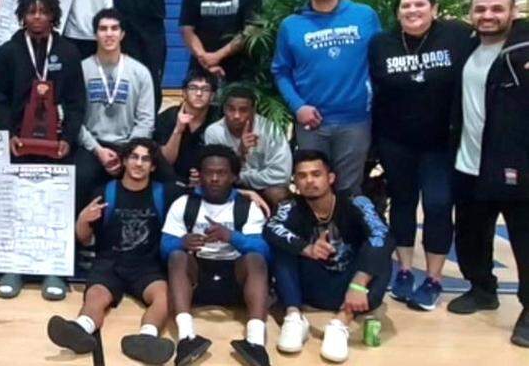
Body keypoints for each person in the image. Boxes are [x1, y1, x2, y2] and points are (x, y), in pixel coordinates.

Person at [368, 0, 473, 311]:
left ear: (434, 8)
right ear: (397, 12)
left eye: (419, 4)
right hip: (396, 141)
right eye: (405, 6)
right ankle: (403, 271)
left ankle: (433, 278)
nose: (412, 10)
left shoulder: (456, 35)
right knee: (402, 204)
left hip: (441, 144)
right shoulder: (381, 44)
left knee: (438, 205)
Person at [46, 139, 180, 364]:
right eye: (134, 157)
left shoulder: (165, 193)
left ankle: (147, 338)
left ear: (153, 166)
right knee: (95, 297)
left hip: (147, 266)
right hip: (110, 264)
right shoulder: (104, 192)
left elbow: (203, 194)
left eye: (145, 159)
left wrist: (246, 194)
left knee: (164, 297)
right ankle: (80, 329)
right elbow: (84, 238)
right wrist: (83, 220)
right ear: (125, 161)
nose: (139, 163)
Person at [0, 0, 86, 300]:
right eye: (31, 11)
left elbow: (76, 102)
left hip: (55, 144)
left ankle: (54, 268)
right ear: (22, 16)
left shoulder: (69, 52)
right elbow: (0, 100)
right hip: (19, 142)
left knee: (54, 203)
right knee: (18, 202)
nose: (37, 17)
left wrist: (68, 140)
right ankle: (13, 266)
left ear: (54, 16)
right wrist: (9, 135)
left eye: (44, 11)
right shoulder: (7, 52)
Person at [447, 0, 529, 347]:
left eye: (497, 9)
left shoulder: (523, 49)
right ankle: (482, 288)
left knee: (525, 241)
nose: (488, 16)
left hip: (516, 165)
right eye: (480, 10)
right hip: (468, 161)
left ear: (512, 13)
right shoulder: (467, 48)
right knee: (470, 233)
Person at [264, 150, 393, 363]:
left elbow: (382, 235)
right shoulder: (290, 206)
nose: (309, 181)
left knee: (380, 250)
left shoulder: (356, 202)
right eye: (302, 176)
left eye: (316, 174)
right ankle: (294, 318)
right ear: (294, 181)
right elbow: (271, 228)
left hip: (353, 289)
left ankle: (340, 324)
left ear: (330, 178)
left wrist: (359, 284)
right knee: (282, 250)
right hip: (310, 288)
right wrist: (307, 248)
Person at [271, 0, 381, 196]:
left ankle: (346, 234)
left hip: (356, 121)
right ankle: (316, 234)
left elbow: (382, 60)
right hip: (312, 123)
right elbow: (281, 71)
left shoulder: (365, 16)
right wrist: (298, 107)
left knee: (349, 189)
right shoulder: (291, 25)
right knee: (312, 188)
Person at [162, 145, 272, 366]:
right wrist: (182, 242)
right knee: (176, 256)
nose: (213, 178)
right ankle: (186, 338)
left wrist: (231, 237)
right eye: (208, 172)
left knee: (255, 260)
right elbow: (164, 247)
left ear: (233, 176)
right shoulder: (184, 204)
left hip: (235, 276)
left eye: (221, 173)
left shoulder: (247, 207)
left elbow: (265, 251)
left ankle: (256, 343)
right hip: (197, 277)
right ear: (199, 175)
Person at [77, 8, 155, 212]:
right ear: (95, 34)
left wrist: (128, 154)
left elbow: (146, 120)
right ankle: (81, 238)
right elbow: (74, 117)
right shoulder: (81, 70)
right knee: (79, 178)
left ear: (122, 34)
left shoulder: (140, 72)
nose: (109, 34)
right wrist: (97, 149)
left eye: (114, 28)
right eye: (103, 29)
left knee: (165, 176)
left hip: (130, 144)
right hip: (93, 145)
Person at [203, 85, 292, 206]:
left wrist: (242, 177)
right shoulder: (214, 132)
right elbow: (215, 173)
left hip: (264, 186)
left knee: (279, 194)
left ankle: (276, 225)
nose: (236, 116)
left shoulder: (270, 130)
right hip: (229, 186)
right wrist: (240, 153)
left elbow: (282, 175)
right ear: (224, 109)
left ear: (253, 111)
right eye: (231, 109)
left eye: (243, 110)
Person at [153, 69, 220, 188]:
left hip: (210, 182)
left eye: (205, 89)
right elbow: (165, 162)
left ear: (212, 96)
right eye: (193, 88)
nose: (199, 93)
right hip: (172, 182)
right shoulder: (167, 117)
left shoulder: (219, 119)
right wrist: (178, 130)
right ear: (184, 93)